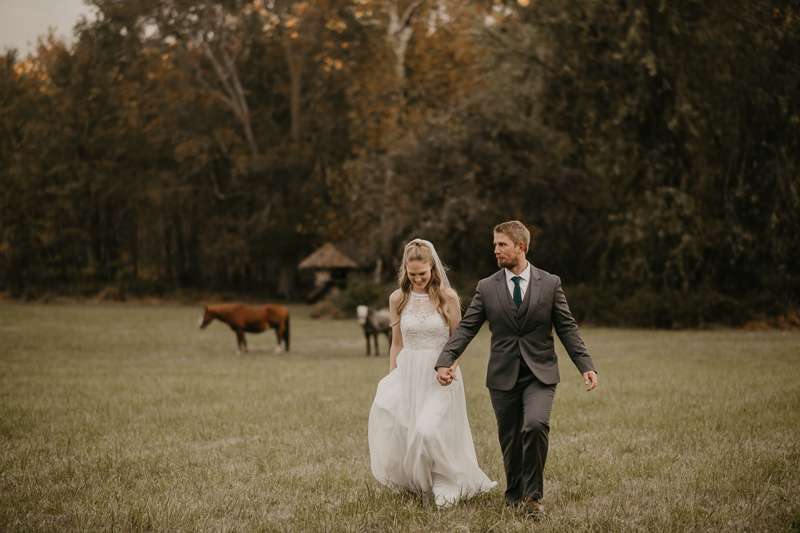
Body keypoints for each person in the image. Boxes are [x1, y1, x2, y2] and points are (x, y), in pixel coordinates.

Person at [435, 221, 597, 515]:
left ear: (520, 247)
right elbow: (467, 328)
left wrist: (585, 364)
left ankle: (533, 497)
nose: (495, 250)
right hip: (502, 374)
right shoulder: (487, 287)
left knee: (535, 425)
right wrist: (446, 360)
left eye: (501, 245)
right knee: (509, 437)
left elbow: (567, 328)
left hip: (541, 373)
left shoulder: (550, 283)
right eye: (495, 244)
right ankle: (513, 496)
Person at [368, 239, 496, 507]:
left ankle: (447, 481)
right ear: (406, 270)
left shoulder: (448, 297)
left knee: (426, 431)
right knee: (408, 430)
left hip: (440, 375)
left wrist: (450, 368)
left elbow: (457, 340)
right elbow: (397, 343)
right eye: (412, 274)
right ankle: (422, 486)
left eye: (422, 274)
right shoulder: (397, 298)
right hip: (408, 374)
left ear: (433, 268)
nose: (417, 279)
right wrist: (393, 377)